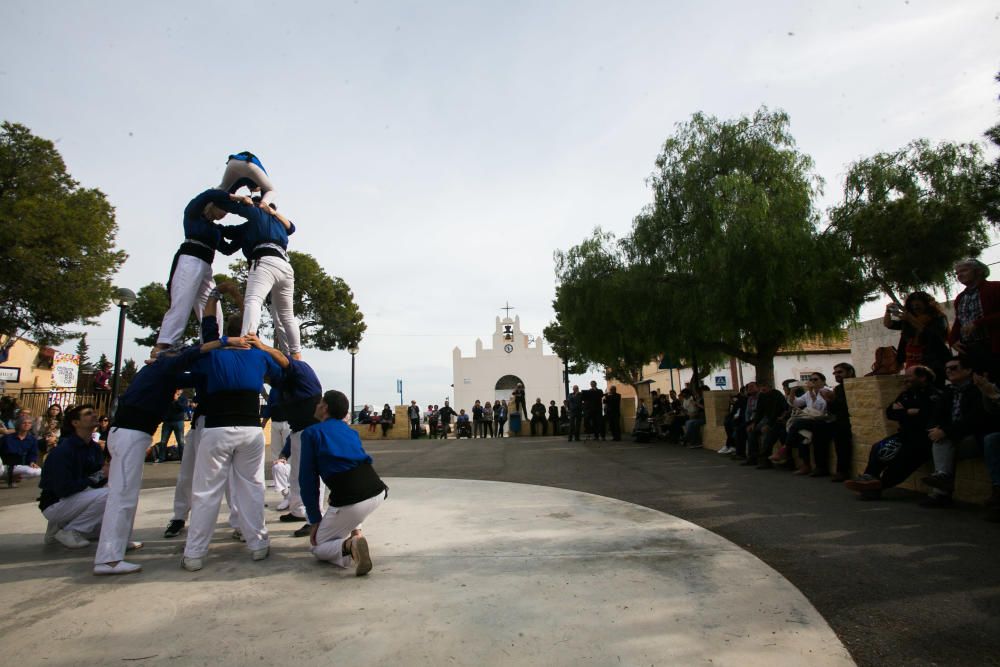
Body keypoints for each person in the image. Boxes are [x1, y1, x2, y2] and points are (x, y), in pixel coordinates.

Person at [94, 336, 243, 576]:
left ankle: (119, 543)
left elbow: (196, 376)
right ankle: (108, 559)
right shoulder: (162, 364)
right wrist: (225, 342)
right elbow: (192, 356)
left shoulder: (164, 372)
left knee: (127, 496)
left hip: (134, 433)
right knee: (121, 497)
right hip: (131, 432)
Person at [180, 335, 284, 571]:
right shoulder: (259, 355)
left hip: (217, 427)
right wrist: (261, 351)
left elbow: (186, 357)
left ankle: (195, 553)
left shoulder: (213, 355)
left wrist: (220, 342)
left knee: (206, 491)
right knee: (252, 486)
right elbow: (279, 376)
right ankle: (258, 544)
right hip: (250, 428)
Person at [300, 390, 388, 576]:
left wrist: (315, 519)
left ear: (324, 408)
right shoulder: (349, 431)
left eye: (319, 403)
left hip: (353, 499)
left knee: (318, 546)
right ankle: (357, 532)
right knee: (347, 501)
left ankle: (350, 545)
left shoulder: (311, 433)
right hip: (377, 491)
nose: (316, 406)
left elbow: (307, 480)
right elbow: (360, 461)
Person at [246, 334, 324, 538]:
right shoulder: (281, 384)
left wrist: (261, 346)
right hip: (298, 431)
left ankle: (314, 519)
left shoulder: (299, 369)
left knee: (312, 477)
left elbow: (282, 359)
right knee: (296, 476)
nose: (267, 378)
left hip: (312, 431)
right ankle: (299, 511)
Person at [154, 189, 243, 352]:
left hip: (206, 268)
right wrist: (236, 197)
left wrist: (248, 233)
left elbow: (228, 249)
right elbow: (207, 195)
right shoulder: (193, 216)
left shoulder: (216, 230)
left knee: (214, 309)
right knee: (182, 302)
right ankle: (163, 345)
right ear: (213, 206)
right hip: (190, 260)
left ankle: (210, 344)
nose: (225, 213)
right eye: (223, 208)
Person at [217, 194, 301, 358]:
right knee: (286, 315)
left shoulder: (257, 214)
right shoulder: (279, 224)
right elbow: (292, 228)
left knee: (253, 301)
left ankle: (246, 340)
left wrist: (237, 199)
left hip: (265, 261)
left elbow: (229, 230)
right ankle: (296, 353)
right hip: (285, 266)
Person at [844, 366, 942, 500]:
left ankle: (877, 486)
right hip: (904, 435)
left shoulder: (934, 394)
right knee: (880, 447)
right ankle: (869, 478)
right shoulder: (906, 394)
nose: (905, 379)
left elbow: (929, 414)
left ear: (922, 377)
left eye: (909, 376)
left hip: (924, 437)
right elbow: (891, 412)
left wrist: (906, 411)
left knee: (904, 458)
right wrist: (909, 411)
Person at [38, 405, 112, 549]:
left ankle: (56, 530)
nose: (95, 416)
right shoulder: (63, 451)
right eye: (88, 414)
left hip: (73, 496)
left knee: (114, 489)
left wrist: (105, 474)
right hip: (55, 503)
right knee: (110, 495)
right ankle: (72, 530)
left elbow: (96, 479)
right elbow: (62, 488)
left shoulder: (94, 448)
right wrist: (98, 476)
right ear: (75, 423)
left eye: (94, 413)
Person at [920, 356, 987, 508]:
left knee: (943, 438)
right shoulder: (947, 392)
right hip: (952, 437)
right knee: (940, 439)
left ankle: (940, 491)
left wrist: (945, 431)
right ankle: (942, 482)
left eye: (954, 368)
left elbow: (975, 420)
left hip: (974, 437)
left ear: (968, 370)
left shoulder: (977, 390)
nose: (949, 371)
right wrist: (934, 429)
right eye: (947, 369)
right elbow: (935, 415)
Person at [949, 258, 1000, 379]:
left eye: (964, 270)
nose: (959, 275)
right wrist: (953, 339)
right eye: (957, 273)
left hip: (992, 346)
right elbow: (959, 320)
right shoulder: (960, 297)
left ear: (978, 271)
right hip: (970, 350)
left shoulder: (995, 288)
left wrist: (978, 323)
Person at [883, 292, 951, 383]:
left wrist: (910, 319)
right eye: (913, 306)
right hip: (912, 364)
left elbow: (932, 335)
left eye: (918, 306)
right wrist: (888, 311)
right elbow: (889, 324)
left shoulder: (938, 318)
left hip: (932, 363)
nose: (916, 309)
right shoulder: (908, 322)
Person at [1, 414, 41, 483]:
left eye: (29, 423)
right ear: (19, 424)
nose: (27, 424)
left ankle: (15, 477)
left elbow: (33, 453)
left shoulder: (32, 440)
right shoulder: (7, 438)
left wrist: (32, 462)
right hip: (4, 465)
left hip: (18, 466)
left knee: (38, 471)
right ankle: (6, 476)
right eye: (24, 423)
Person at [155, 389, 188, 463]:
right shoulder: (168, 397)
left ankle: (182, 459)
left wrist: (176, 401)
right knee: (163, 441)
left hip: (178, 421)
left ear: (181, 391)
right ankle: (161, 458)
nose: (177, 390)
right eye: (176, 389)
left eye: (179, 389)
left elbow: (184, 408)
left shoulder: (183, 398)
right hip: (167, 422)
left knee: (180, 441)